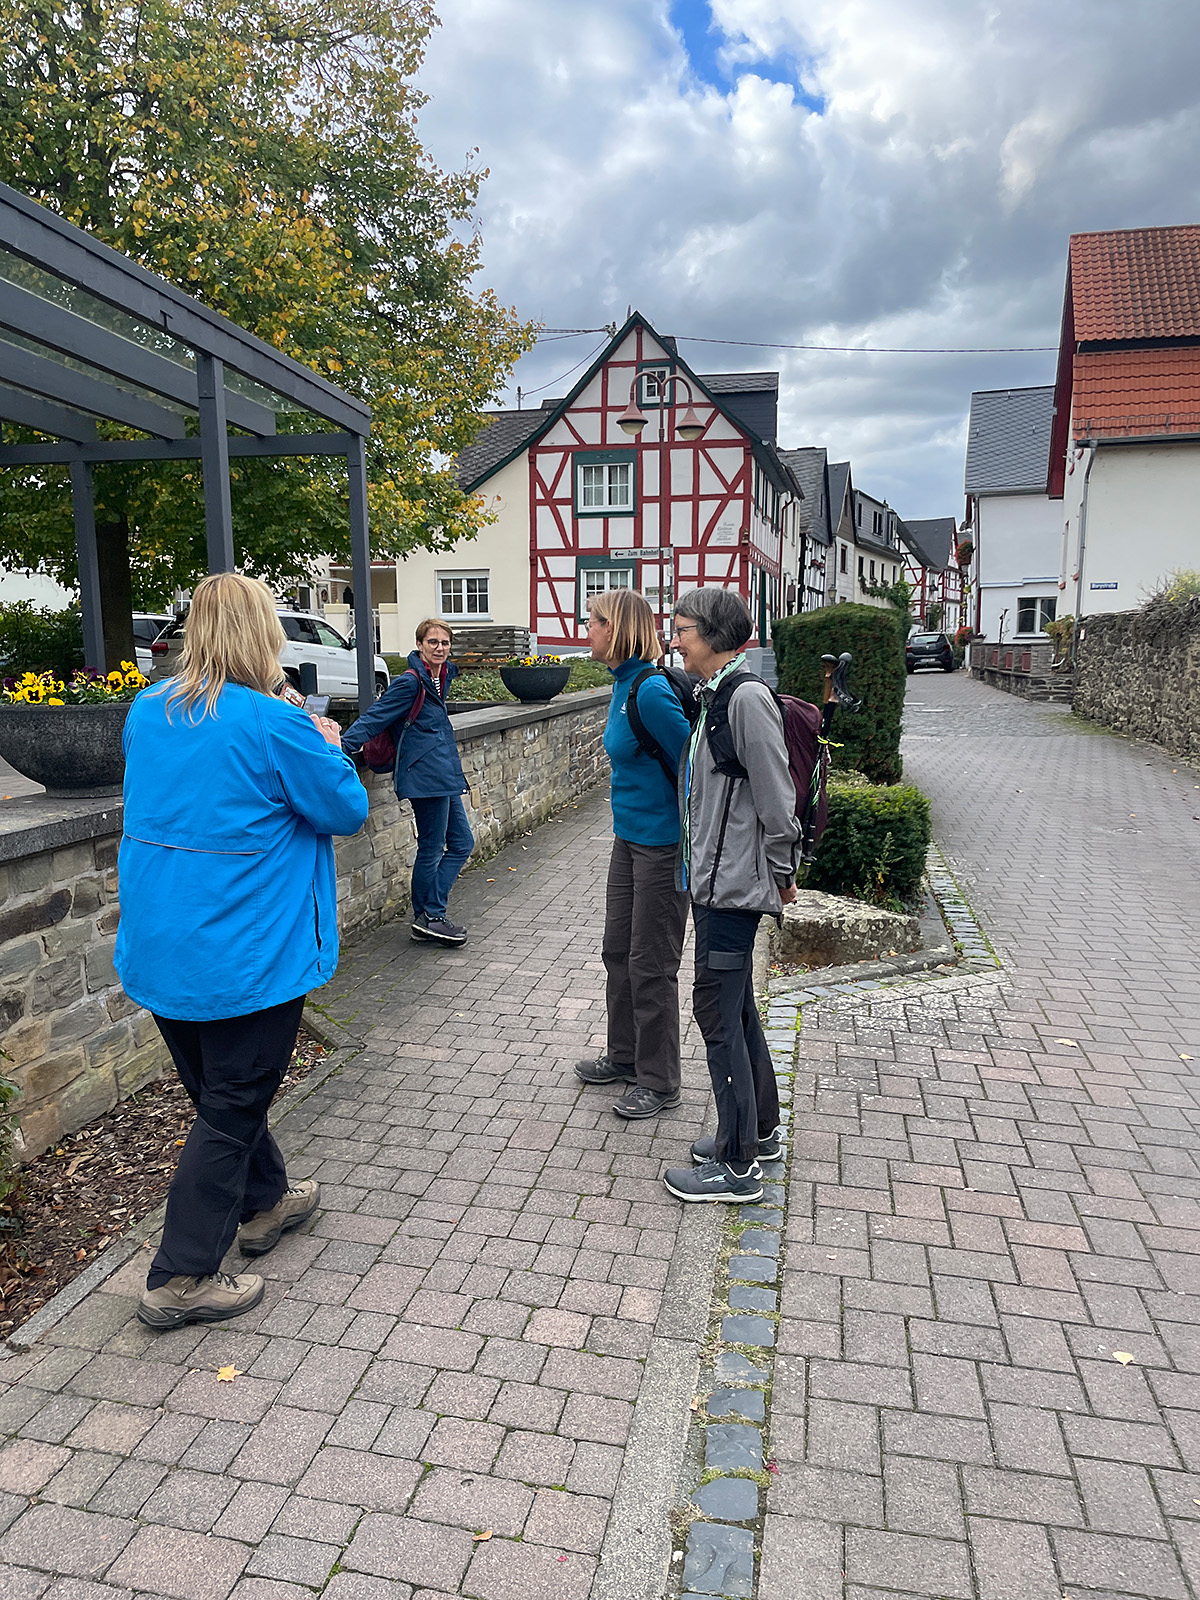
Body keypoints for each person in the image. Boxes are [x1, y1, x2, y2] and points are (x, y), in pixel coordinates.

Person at [115, 574, 369, 1329]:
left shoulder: (147, 710)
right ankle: (181, 1274)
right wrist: (329, 744)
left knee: (218, 1092)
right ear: (265, 637)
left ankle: (265, 1203)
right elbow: (345, 809)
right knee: (232, 1102)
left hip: (163, 944)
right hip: (245, 953)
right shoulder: (275, 723)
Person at [662, 587, 801, 1203]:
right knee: (736, 1005)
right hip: (716, 883)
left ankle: (736, 1164)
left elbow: (775, 793)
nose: (675, 640)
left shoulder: (744, 699)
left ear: (715, 635)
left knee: (717, 1010)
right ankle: (760, 1132)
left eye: (683, 629)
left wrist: (782, 868)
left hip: (733, 889)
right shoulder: (717, 693)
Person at [574, 589, 692, 1119]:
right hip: (628, 839)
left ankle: (660, 1080)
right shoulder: (621, 684)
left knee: (652, 961)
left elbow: (695, 762)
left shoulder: (650, 690)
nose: (588, 630)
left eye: (594, 622)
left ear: (617, 628)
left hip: (662, 846)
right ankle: (624, 1057)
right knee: (617, 951)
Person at [341, 617, 474, 946]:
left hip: (442, 772)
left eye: (444, 642)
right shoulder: (411, 682)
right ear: (419, 645)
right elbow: (375, 716)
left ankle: (426, 916)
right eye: (433, 642)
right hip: (425, 776)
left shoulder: (441, 677)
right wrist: (339, 746)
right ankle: (431, 916)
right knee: (431, 848)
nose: (439, 648)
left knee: (462, 843)